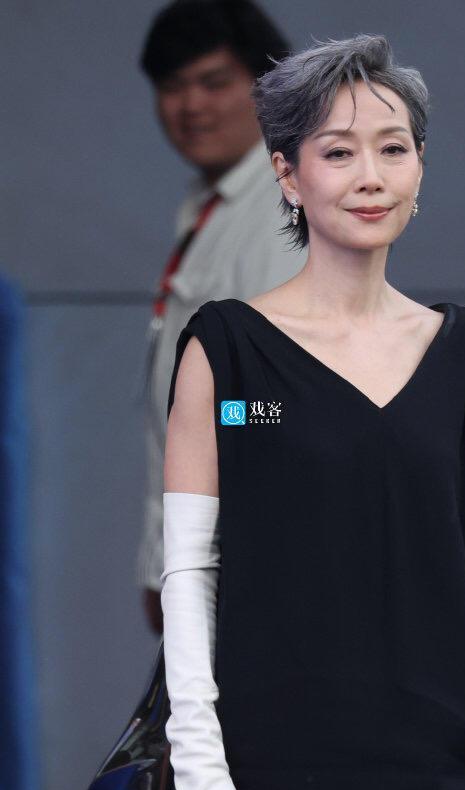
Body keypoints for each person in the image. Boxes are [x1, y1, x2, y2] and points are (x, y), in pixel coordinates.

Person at [160, 32, 465, 790]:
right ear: (288, 174)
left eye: (392, 147)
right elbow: (193, 563)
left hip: (436, 781)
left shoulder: (463, 352)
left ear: (420, 168)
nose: (370, 175)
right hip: (291, 787)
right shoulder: (234, 361)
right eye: (337, 151)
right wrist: (198, 762)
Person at [136, 0, 305, 635]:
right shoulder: (217, 203)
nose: (191, 107)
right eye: (172, 87)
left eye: (214, 82)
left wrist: (190, 562)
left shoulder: (280, 211)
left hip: (250, 568)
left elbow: (282, 407)